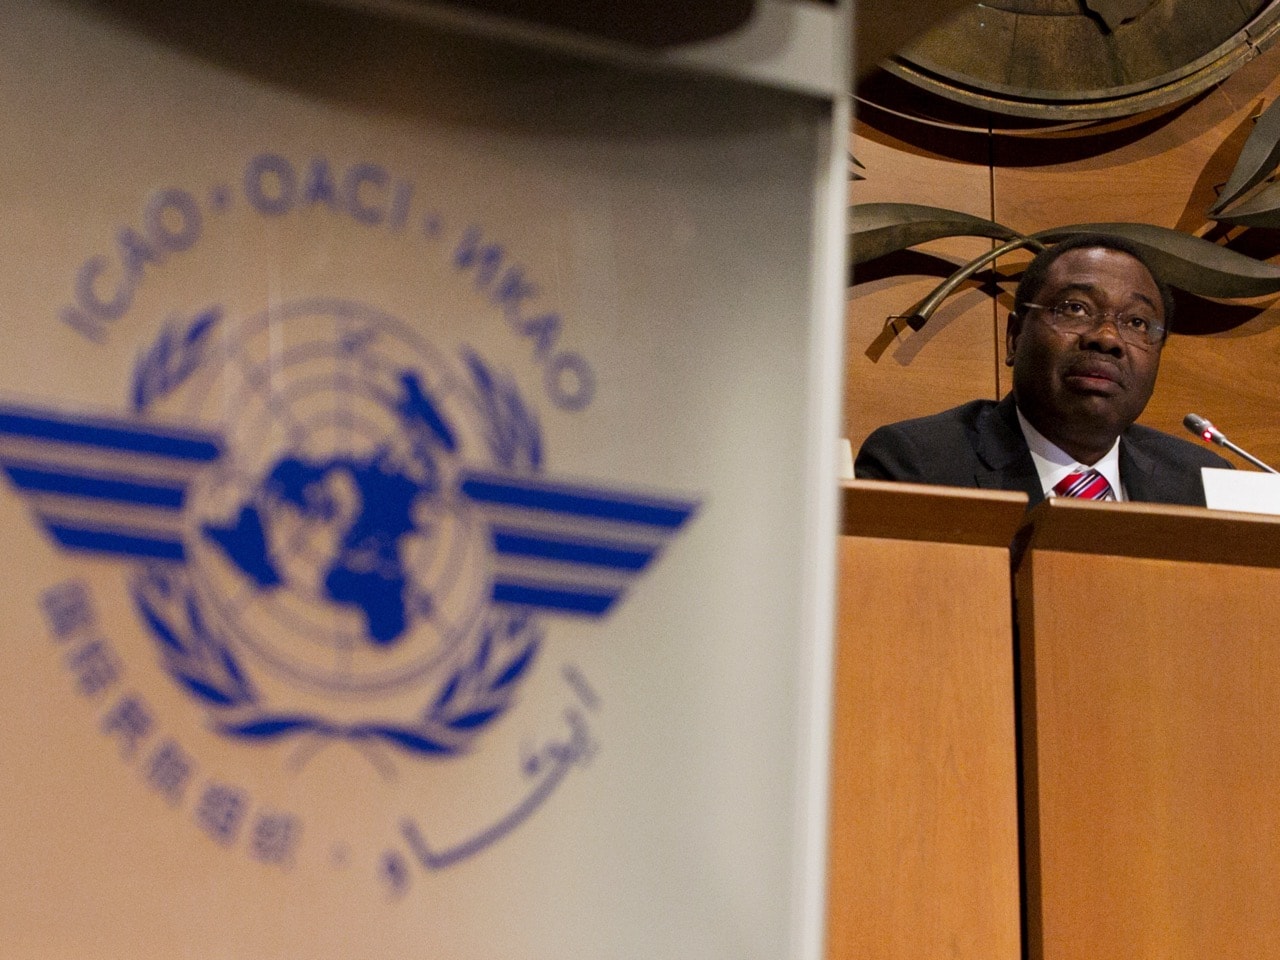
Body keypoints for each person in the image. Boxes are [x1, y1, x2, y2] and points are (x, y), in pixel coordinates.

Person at [855, 233, 1231, 506]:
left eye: (1136, 323)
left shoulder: (1203, 485)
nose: (1107, 337)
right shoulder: (918, 468)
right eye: (1075, 308)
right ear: (1015, 338)